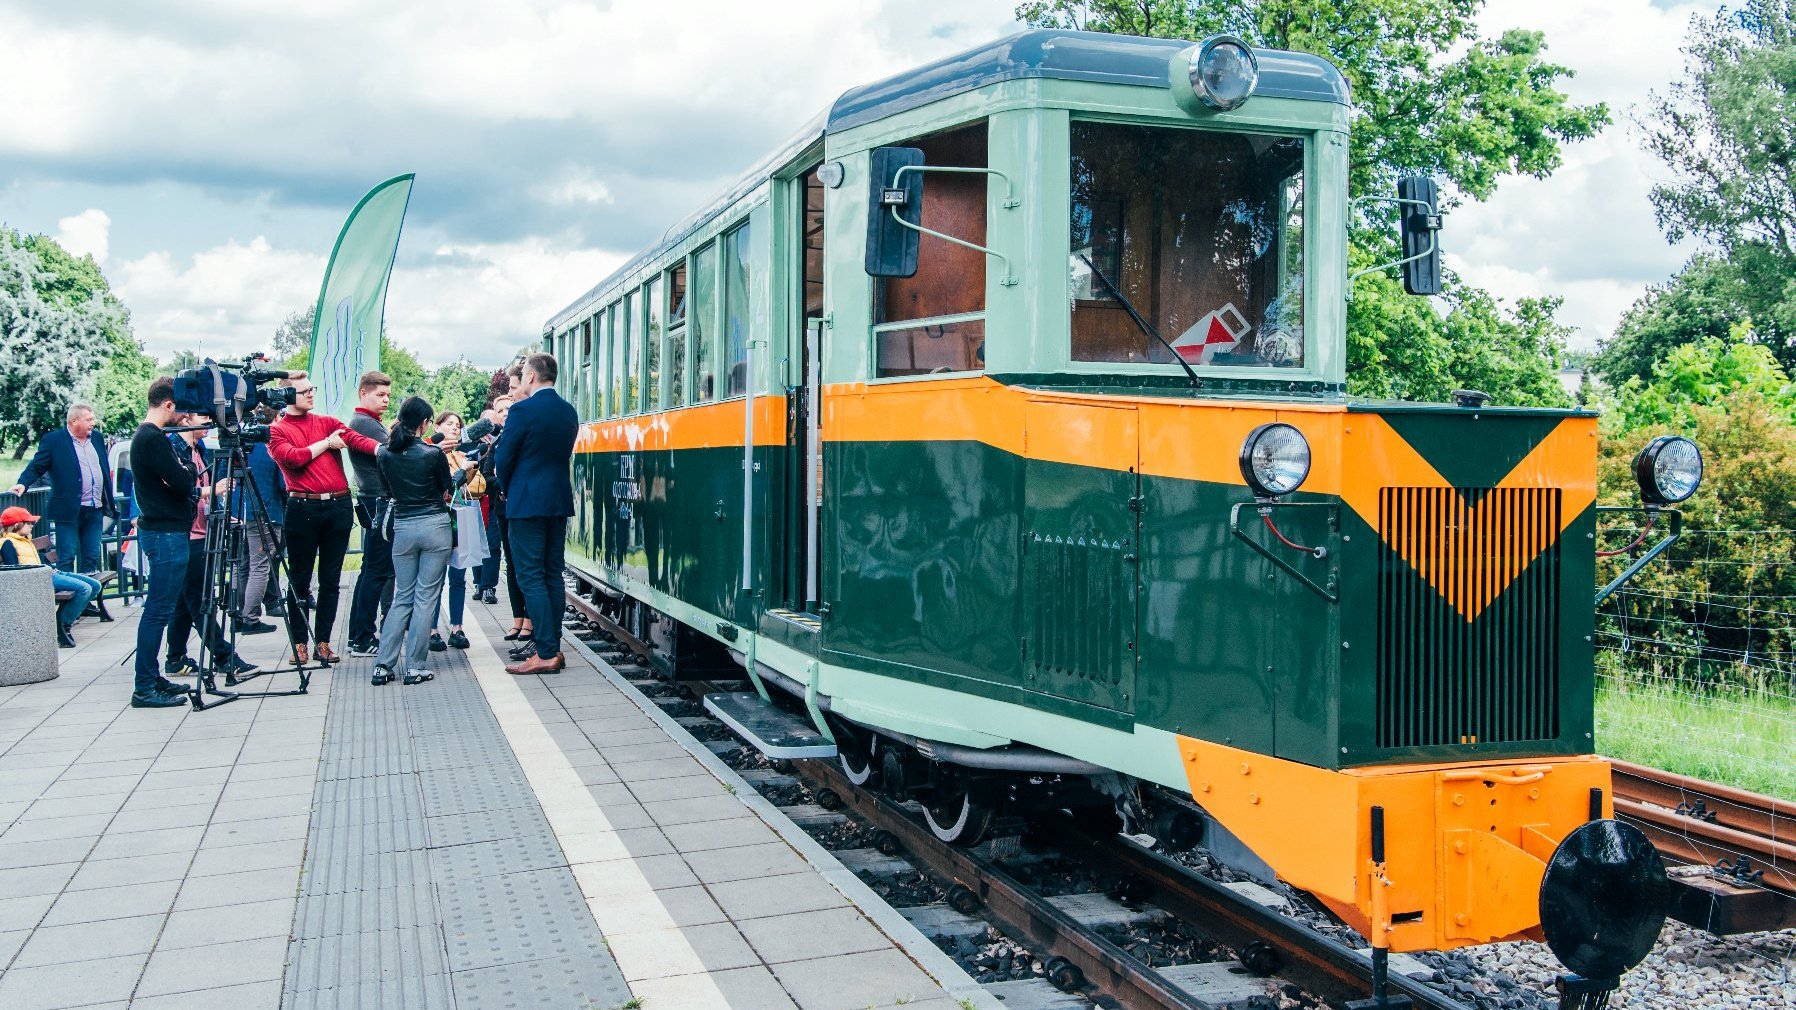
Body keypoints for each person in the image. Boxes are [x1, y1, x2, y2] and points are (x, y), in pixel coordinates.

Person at [268, 375, 380, 666]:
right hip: (303, 507)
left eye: (311, 389)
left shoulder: (328, 422)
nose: (310, 394)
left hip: (338, 504)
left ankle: (323, 642)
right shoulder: (277, 431)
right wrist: (326, 444)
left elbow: (353, 439)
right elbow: (292, 459)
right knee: (300, 579)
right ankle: (300, 643)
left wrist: (380, 448)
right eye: (304, 391)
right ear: (287, 396)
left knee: (331, 579)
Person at [128, 378, 210, 707]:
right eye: (182, 409)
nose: (186, 416)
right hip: (165, 533)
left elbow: (179, 479)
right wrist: (188, 468)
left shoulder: (150, 437)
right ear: (168, 405)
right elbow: (181, 482)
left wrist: (183, 471)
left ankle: (153, 677)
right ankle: (144, 686)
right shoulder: (152, 438)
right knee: (157, 611)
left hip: (166, 531)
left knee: (162, 608)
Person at [495, 353, 578, 676]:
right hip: (557, 501)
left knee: (529, 575)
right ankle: (552, 645)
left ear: (530, 376)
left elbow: (504, 458)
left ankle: (545, 651)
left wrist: (505, 487)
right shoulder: (567, 411)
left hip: (526, 502)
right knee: (551, 574)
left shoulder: (522, 410)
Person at [163, 419, 258, 678]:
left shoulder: (200, 447)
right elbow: (179, 491)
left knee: (185, 601)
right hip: (186, 534)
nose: (208, 421)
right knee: (199, 600)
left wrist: (220, 513)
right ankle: (223, 655)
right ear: (184, 420)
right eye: (200, 416)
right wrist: (211, 490)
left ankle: (175, 658)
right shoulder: (173, 449)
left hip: (201, 531)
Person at [373, 396, 453, 687]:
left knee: (402, 597)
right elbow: (446, 488)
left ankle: (383, 666)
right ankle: (415, 667)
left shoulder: (383, 453)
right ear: (423, 423)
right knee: (425, 598)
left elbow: (386, 489)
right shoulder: (432, 454)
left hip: (404, 528)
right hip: (434, 526)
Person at [10, 402, 114, 574]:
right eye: (88, 419)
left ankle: (87, 600)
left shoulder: (95, 437)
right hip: (68, 510)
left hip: (95, 508)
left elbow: (102, 467)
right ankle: (67, 598)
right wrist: (23, 483)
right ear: (74, 421)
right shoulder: (54, 440)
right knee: (67, 556)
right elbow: (37, 466)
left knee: (91, 557)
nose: (93, 423)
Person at [0, 505, 102, 649]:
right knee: (84, 589)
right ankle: (63, 624)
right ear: (17, 525)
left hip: (49, 573)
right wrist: (43, 570)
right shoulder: (8, 543)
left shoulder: (24, 539)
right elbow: (16, 569)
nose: (32, 525)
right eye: (29, 523)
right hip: (40, 579)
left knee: (95, 586)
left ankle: (60, 619)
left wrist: (47, 565)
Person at [345, 372, 394, 657]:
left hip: (370, 500)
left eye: (388, 395)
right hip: (377, 502)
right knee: (376, 572)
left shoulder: (366, 423)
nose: (385, 400)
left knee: (369, 571)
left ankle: (358, 635)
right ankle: (363, 637)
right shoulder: (366, 424)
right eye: (380, 395)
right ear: (364, 393)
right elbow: (393, 456)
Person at [426, 411, 483, 651]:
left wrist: (466, 470)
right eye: (449, 424)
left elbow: (480, 485)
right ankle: (432, 629)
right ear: (436, 427)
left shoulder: (461, 456)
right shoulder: (427, 452)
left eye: (458, 425)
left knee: (459, 575)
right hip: (436, 518)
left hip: (458, 517)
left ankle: (457, 627)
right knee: (435, 578)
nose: (454, 428)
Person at [231, 407, 285, 634]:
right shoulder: (270, 446)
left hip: (242, 511)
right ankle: (250, 617)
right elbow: (283, 485)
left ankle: (239, 613)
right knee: (260, 566)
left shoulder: (242, 445)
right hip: (265, 511)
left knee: (241, 565)